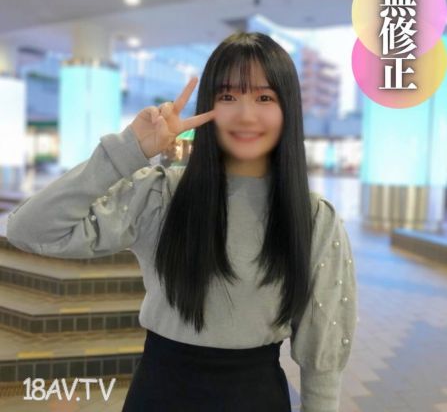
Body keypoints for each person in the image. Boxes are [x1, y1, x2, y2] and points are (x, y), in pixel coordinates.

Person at [6, 32, 357, 412]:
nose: (245, 114)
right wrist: (128, 150)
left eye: (264, 98)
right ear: (207, 107)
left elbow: (322, 362)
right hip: (160, 394)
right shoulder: (160, 195)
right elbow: (29, 231)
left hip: (256, 397)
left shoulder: (313, 218)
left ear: (288, 108)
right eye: (227, 96)